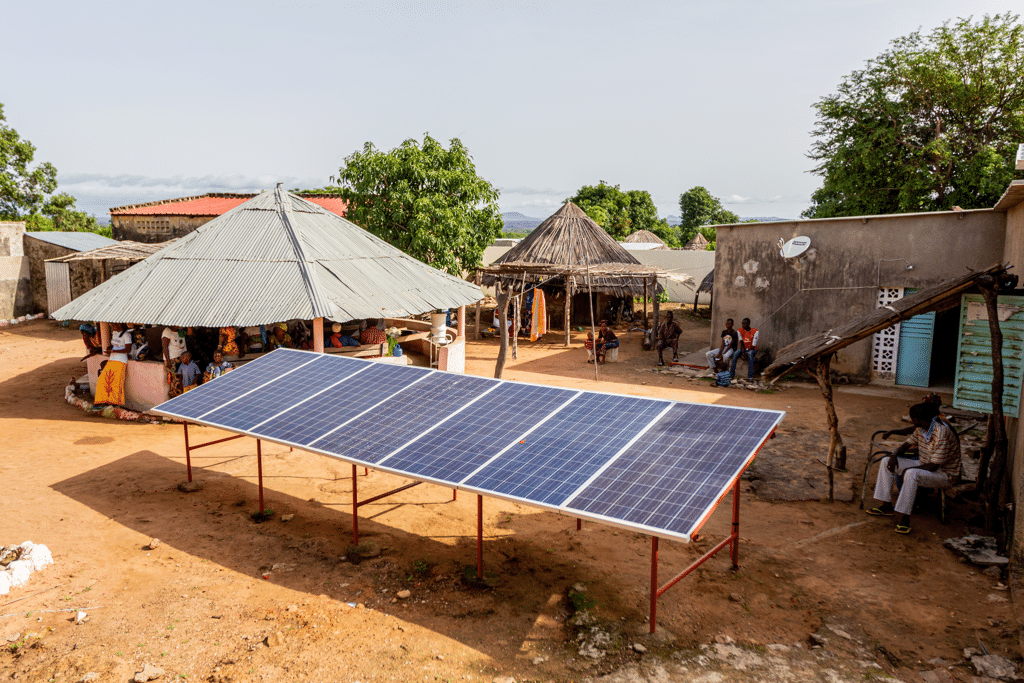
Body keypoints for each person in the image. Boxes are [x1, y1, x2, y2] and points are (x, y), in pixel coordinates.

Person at [867, 402, 961, 534]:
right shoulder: (922, 427)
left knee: (911, 474)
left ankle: (905, 519)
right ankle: (886, 505)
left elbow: (935, 465)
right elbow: (906, 444)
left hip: (945, 475)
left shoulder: (941, 433)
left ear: (917, 419)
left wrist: (906, 471)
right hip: (924, 464)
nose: (911, 421)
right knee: (886, 461)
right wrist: (894, 455)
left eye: (912, 418)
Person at [95, 323, 132, 407]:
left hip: (120, 360)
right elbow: (114, 346)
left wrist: (113, 351)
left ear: (119, 325)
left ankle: (114, 403)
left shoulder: (126, 335)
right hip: (112, 359)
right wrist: (110, 348)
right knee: (103, 379)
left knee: (115, 383)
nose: (112, 327)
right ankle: (104, 400)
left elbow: (127, 349)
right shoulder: (114, 333)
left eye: (113, 325)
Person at [162, 325, 187, 398]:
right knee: (175, 380)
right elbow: (165, 347)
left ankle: (179, 396)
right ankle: (175, 397)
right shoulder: (167, 332)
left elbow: (190, 334)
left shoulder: (180, 331)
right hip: (172, 360)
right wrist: (168, 361)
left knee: (181, 379)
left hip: (181, 358)